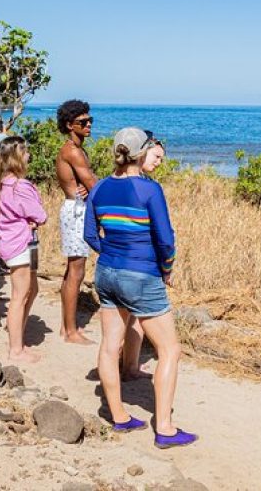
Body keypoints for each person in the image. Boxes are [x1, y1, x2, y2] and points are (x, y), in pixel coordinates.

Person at [84, 127, 197, 448]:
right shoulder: (149, 190)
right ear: (141, 152)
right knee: (170, 350)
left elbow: (90, 234)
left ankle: (119, 417)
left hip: (106, 272)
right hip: (141, 275)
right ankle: (165, 429)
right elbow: (165, 238)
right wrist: (166, 269)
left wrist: (110, 253)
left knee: (109, 345)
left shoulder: (101, 187)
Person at [0, 136, 47, 364]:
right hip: (21, 242)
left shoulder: (0, 183)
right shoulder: (20, 186)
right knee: (20, 295)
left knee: (31, 290)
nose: (29, 156)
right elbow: (40, 214)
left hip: (17, 241)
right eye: (25, 152)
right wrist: (34, 218)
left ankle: (18, 336)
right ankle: (16, 349)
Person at [121, 134, 167, 380]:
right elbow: (162, 233)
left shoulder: (118, 181)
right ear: (142, 151)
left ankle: (129, 364)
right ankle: (129, 366)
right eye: (156, 156)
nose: (159, 162)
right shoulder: (146, 186)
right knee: (137, 317)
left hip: (118, 260)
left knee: (129, 318)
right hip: (139, 261)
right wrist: (166, 264)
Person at [55, 99, 98, 345]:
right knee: (76, 271)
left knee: (72, 270)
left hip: (76, 209)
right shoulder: (71, 150)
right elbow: (92, 184)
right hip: (76, 212)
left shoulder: (78, 149)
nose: (89, 125)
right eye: (83, 122)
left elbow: (89, 182)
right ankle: (71, 332)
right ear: (70, 125)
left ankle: (67, 327)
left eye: (90, 120)